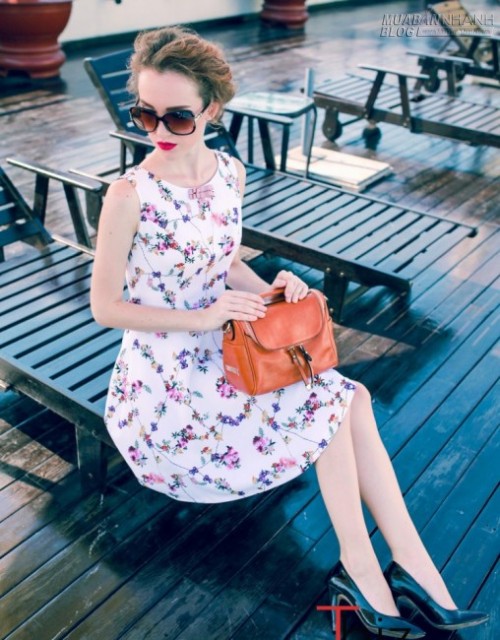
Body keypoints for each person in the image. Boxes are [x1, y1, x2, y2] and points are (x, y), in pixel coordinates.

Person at [90, 26, 489, 639]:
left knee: (351, 397)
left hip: (230, 349)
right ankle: (374, 573)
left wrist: (275, 288)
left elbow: (223, 262)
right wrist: (201, 317)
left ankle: (407, 570)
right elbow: (105, 307)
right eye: (146, 114)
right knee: (338, 405)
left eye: (178, 117)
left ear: (211, 110)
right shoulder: (129, 194)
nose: (160, 131)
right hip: (167, 386)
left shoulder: (229, 173)